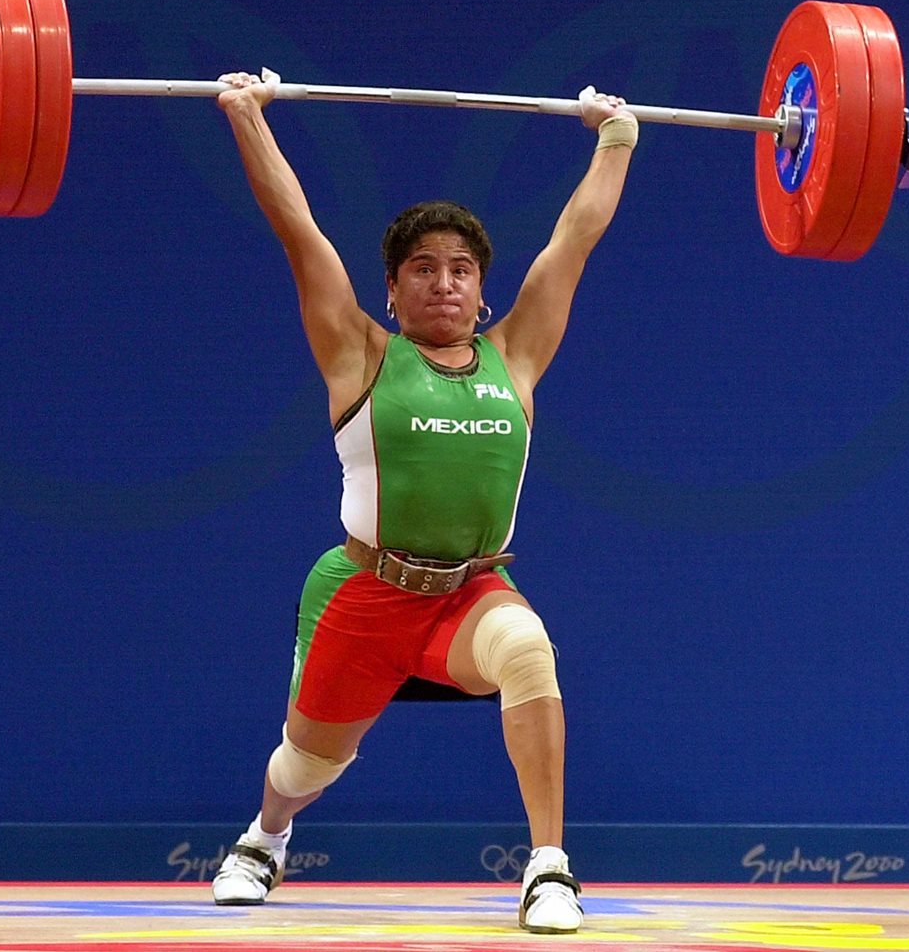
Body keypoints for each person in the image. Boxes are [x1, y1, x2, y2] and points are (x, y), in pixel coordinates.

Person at [210, 67, 636, 934]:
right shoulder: (360, 356)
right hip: (367, 595)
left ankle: (549, 868)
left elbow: (575, 239)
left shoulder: (513, 357)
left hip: (471, 592)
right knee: (305, 766)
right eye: (422, 269)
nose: (444, 283)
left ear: (482, 290)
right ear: (393, 290)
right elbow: (297, 228)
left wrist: (617, 136)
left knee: (528, 651)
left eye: (461, 270)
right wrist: (246, 115)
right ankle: (265, 837)